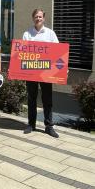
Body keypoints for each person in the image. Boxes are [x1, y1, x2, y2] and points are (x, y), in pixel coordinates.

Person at [22, 9, 59, 138]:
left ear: (44, 18)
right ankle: (31, 124)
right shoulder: (27, 33)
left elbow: (59, 52)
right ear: (33, 18)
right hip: (31, 71)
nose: (38, 18)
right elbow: (22, 53)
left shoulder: (50, 34)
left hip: (46, 72)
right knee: (31, 98)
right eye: (36, 16)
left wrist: (63, 68)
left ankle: (49, 126)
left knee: (47, 99)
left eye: (40, 16)